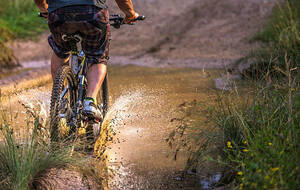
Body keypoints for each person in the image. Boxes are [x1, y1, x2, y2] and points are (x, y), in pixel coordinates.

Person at [34, 0, 139, 121]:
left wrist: (45, 10)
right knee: (97, 58)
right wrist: (130, 14)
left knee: (60, 51)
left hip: (59, 16)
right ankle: (89, 102)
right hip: (92, 14)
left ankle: (60, 101)